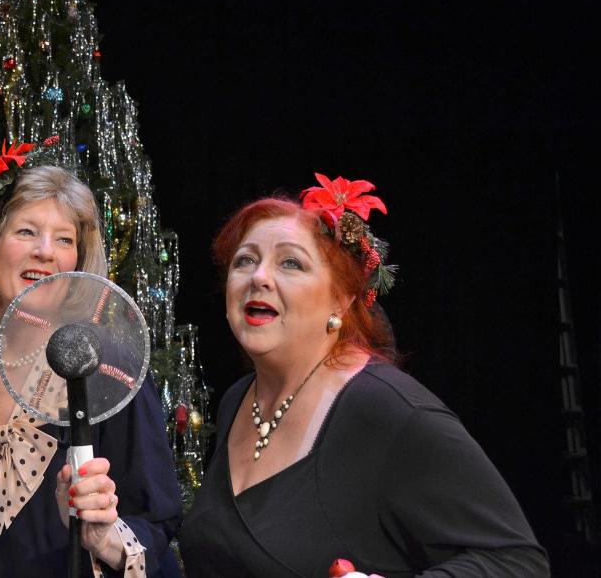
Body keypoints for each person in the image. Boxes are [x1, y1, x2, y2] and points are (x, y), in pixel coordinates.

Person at [179, 173, 549, 577]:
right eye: (245, 260)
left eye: (291, 263)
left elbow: (517, 563)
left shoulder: (385, 409)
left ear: (341, 298)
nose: (258, 277)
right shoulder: (238, 401)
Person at [0, 146, 182, 578]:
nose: (45, 251)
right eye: (26, 231)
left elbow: (156, 521)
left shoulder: (108, 368)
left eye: (64, 239)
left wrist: (102, 535)